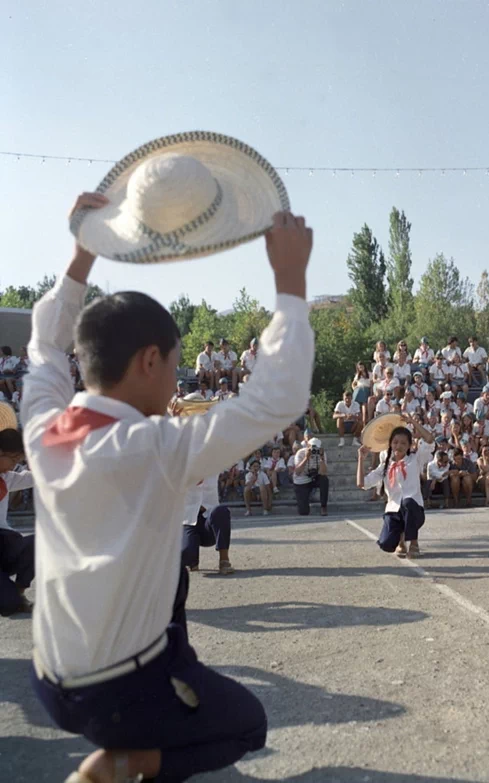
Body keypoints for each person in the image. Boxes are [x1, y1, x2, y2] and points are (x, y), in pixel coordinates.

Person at [23, 191, 314, 783]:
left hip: (48, 681)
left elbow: (46, 344)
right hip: (116, 689)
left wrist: (81, 252)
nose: (178, 380)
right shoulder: (153, 449)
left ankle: (158, 698)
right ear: (149, 361)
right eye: (176, 365)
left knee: (175, 580)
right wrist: (290, 282)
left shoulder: (42, 428)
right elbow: (276, 398)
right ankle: (122, 761)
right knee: (245, 723)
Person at [356, 417, 434, 558]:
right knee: (386, 544)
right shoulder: (385, 466)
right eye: (396, 442)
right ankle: (400, 539)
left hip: (414, 510)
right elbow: (362, 483)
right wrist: (361, 458)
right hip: (394, 510)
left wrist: (413, 421)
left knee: (408, 502)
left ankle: (414, 543)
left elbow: (429, 439)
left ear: (409, 445)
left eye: (404, 443)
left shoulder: (415, 459)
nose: (399, 446)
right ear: (390, 444)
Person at [0, 427, 35, 615]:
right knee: (8, 605)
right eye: (13, 460)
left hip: (5, 545)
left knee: (38, 542)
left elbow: (33, 477)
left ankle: (19, 592)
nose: (14, 466)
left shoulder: (7, 478)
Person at [182, 474, 234, 575]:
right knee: (186, 555)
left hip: (209, 521)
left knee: (221, 511)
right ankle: (192, 562)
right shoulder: (183, 471)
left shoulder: (213, 470)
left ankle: (224, 560)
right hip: (189, 519)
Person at [293, 437, 329, 516]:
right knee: (303, 512)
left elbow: (324, 472)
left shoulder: (321, 453)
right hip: (301, 480)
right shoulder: (300, 453)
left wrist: (322, 458)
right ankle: (303, 501)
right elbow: (297, 472)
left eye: (316, 448)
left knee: (324, 480)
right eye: (312, 447)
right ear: (307, 446)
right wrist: (306, 458)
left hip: (314, 478)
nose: (314, 450)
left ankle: (323, 507)